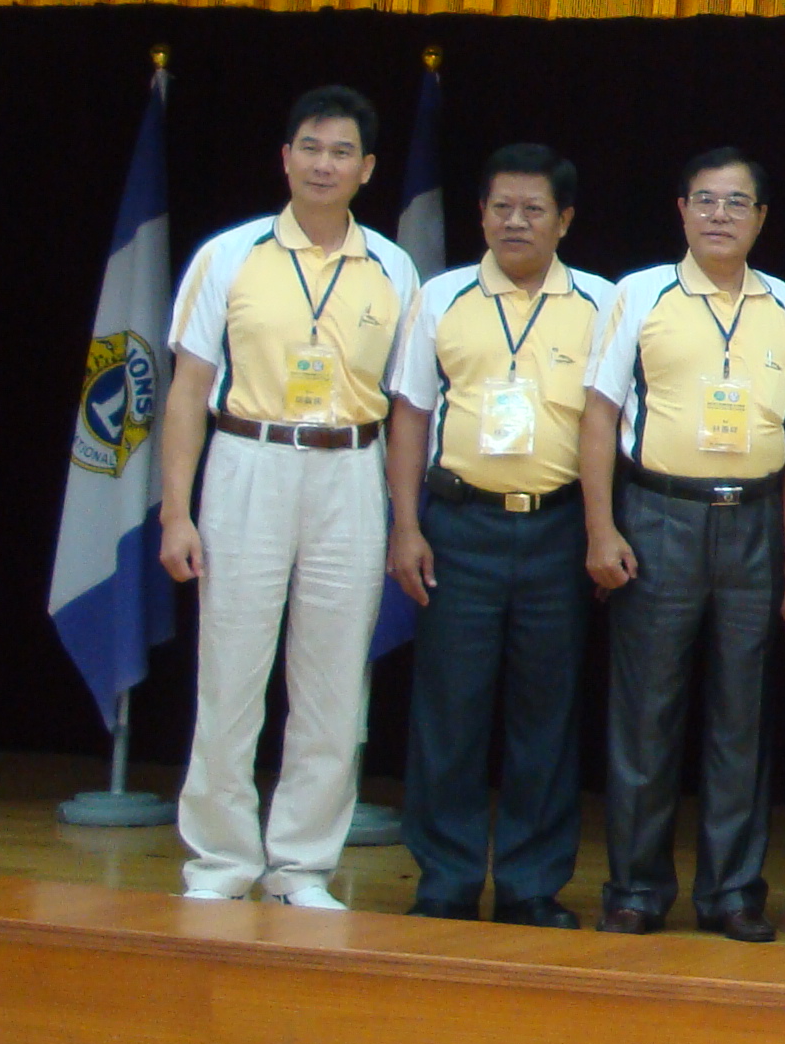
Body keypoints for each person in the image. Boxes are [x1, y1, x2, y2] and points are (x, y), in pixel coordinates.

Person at [158, 85, 418, 909]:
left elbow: (408, 405)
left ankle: (302, 866)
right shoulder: (228, 255)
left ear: (367, 169)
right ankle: (221, 862)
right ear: (285, 157)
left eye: (341, 152)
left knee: (334, 683)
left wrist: (403, 520)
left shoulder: (394, 266)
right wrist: (176, 511)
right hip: (249, 461)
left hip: (351, 469)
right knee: (231, 673)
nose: (323, 165)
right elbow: (187, 389)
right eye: (310, 148)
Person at [583, 148, 785, 943]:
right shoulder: (639, 292)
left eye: (737, 202)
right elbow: (598, 415)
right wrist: (601, 527)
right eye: (706, 200)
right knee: (646, 713)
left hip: (753, 520)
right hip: (659, 516)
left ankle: (732, 891)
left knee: (742, 717)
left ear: (761, 218)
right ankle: (636, 888)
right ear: (681, 210)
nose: (720, 215)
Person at [385, 144, 605, 925]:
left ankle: (530, 884)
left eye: (534, 209)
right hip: (459, 524)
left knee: (546, 714)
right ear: (480, 214)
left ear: (564, 220)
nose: (516, 222)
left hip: (557, 526)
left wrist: (601, 530)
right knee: (450, 710)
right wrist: (405, 525)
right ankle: (444, 880)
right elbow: (410, 414)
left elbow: (611, 424)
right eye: (501, 207)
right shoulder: (440, 296)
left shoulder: (602, 303)